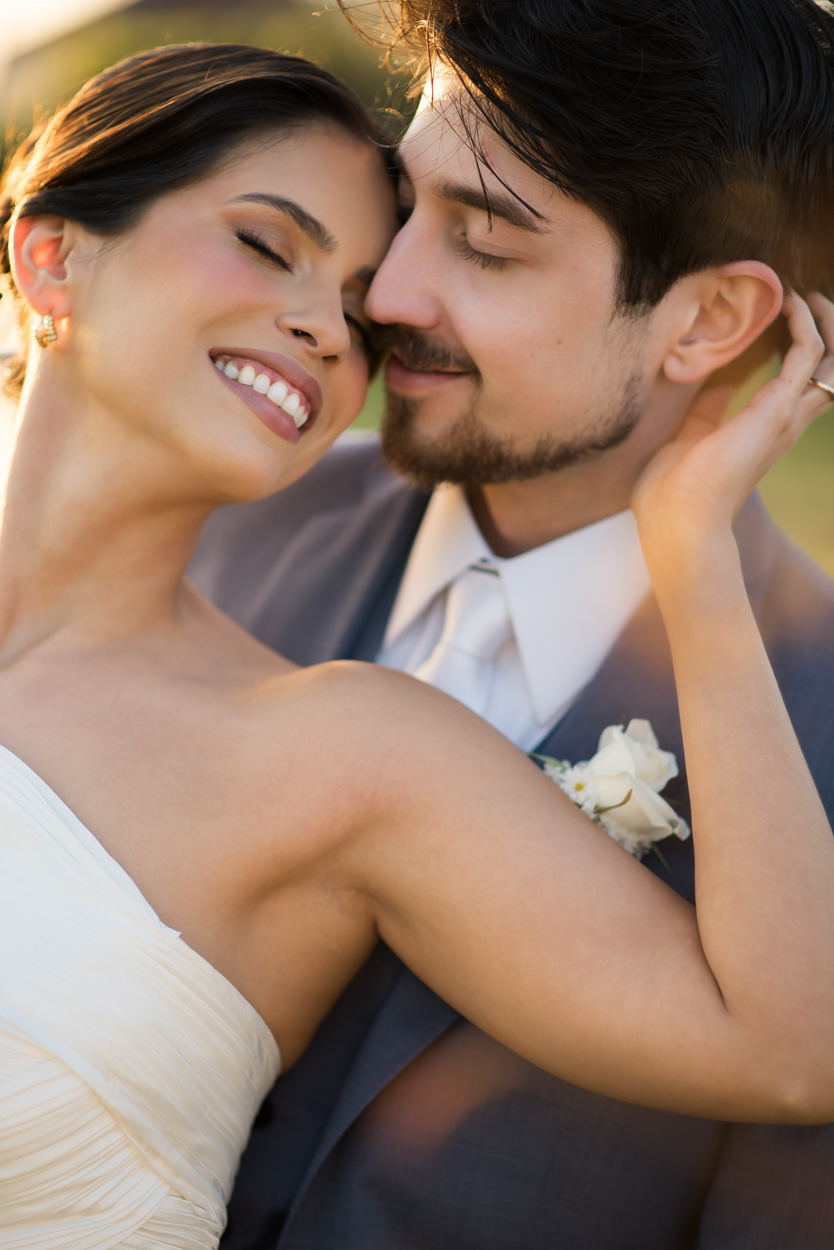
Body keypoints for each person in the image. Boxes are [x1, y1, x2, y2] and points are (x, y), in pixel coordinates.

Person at [0, 37, 832, 1250]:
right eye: (406, 221)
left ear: (709, 318)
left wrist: (690, 563)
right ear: (48, 255)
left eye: (486, 241)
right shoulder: (233, 508)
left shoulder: (797, 736)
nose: (378, 308)